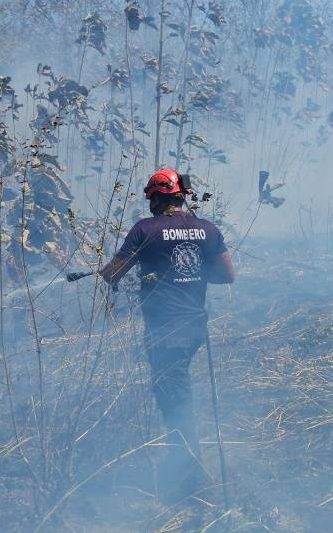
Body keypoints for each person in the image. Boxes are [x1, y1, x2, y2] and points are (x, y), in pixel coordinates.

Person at [99, 168, 234, 504]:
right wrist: (193, 271)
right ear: (181, 196)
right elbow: (226, 275)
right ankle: (184, 469)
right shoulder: (207, 229)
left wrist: (110, 270)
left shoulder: (145, 229)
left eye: (151, 199)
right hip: (194, 327)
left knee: (175, 400)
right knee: (175, 392)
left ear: (157, 198)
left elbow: (114, 273)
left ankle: (189, 479)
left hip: (165, 331)